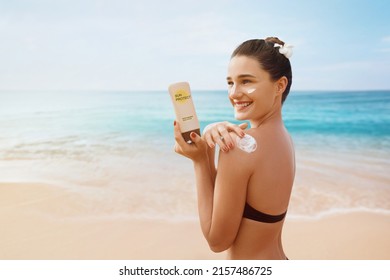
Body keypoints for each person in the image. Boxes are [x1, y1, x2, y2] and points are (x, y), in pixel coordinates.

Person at [173, 37, 295, 259]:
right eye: (230, 82)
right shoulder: (285, 140)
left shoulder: (241, 146)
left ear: (280, 85)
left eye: (246, 81)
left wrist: (202, 160)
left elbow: (217, 241)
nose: (234, 93)